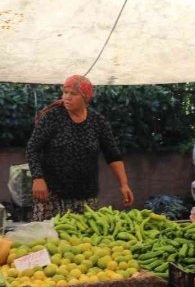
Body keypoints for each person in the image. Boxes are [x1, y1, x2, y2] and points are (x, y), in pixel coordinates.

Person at [26, 75, 133, 221]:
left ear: (85, 97)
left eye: (73, 94)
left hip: (86, 199)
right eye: (65, 92)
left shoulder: (98, 122)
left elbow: (113, 155)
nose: (67, 97)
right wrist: (38, 178)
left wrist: (124, 184)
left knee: (83, 240)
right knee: (49, 241)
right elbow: (33, 148)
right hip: (53, 196)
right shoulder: (52, 117)